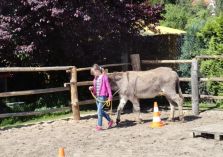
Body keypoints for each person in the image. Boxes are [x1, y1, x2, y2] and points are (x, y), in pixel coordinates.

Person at [89, 64, 114, 131]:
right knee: (101, 111)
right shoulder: (95, 79)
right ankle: (110, 121)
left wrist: (110, 96)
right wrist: (92, 89)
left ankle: (99, 126)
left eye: (94, 73)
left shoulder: (104, 77)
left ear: (97, 71)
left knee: (99, 112)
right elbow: (95, 89)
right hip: (97, 97)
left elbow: (108, 87)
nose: (94, 75)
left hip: (103, 96)